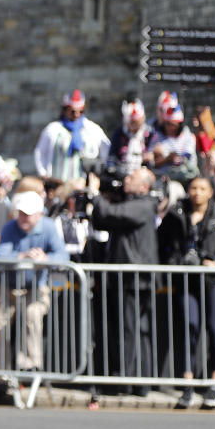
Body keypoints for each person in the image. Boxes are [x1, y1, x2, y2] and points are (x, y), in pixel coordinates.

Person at [158, 176, 215, 409]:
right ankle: (187, 382)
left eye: (202, 189)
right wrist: (175, 263)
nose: (197, 193)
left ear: (211, 192)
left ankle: (214, 381)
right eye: (193, 188)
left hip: (212, 282)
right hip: (186, 281)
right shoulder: (177, 214)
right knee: (187, 328)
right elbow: (163, 242)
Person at [88, 167, 159, 397]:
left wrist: (95, 193)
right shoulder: (132, 202)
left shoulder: (145, 204)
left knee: (131, 328)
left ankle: (126, 379)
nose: (125, 179)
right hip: (126, 277)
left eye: (132, 178)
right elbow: (102, 221)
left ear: (144, 186)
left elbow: (112, 215)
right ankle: (136, 382)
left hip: (134, 278)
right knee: (131, 328)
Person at [0, 191, 69, 372]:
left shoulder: (49, 227)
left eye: (27, 214)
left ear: (39, 215)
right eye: (21, 213)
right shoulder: (10, 227)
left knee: (32, 316)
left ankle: (30, 366)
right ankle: (0, 371)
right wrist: (23, 257)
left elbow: (63, 256)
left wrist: (45, 259)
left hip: (36, 287)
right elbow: (1, 255)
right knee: (0, 324)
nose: (23, 218)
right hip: (7, 286)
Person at [33, 89, 110, 182]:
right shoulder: (53, 129)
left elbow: (106, 152)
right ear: (65, 110)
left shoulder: (93, 129)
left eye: (80, 111)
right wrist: (44, 174)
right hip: (58, 183)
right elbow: (40, 153)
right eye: (72, 111)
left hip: (84, 183)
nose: (76, 115)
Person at [149, 96, 198, 185]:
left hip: (185, 180)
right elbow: (152, 162)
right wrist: (168, 158)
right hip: (162, 179)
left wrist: (164, 156)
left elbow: (184, 157)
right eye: (166, 123)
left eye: (171, 124)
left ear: (179, 124)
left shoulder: (188, 136)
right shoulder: (157, 136)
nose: (168, 127)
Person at [108, 96, 157, 177]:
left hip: (143, 175)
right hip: (122, 174)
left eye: (137, 121)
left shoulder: (150, 134)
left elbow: (154, 158)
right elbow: (111, 158)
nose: (135, 125)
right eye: (132, 122)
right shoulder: (119, 134)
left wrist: (150, 157)